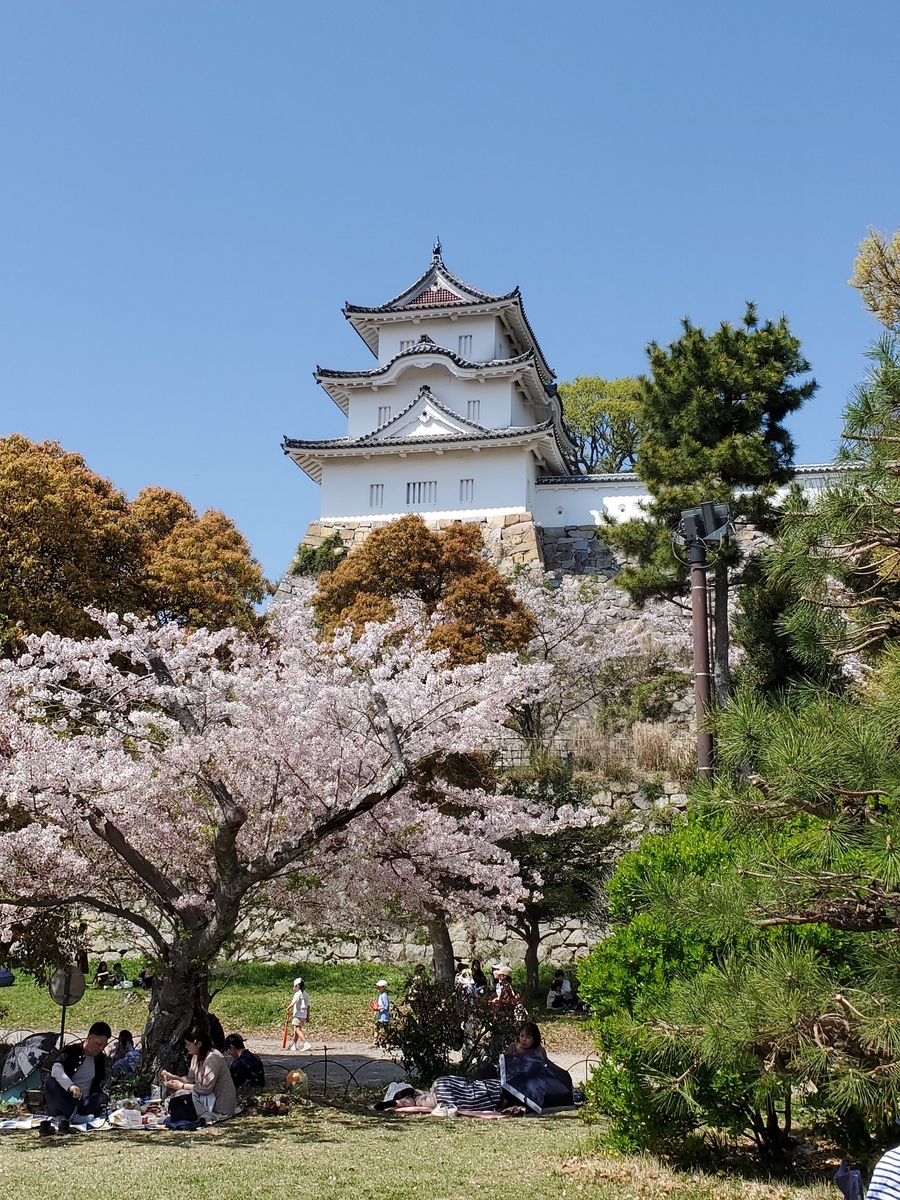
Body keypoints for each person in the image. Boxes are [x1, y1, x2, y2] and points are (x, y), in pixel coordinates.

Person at [41, 1020, 111, 1134]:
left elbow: (98, 1084)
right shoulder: (71, 1052)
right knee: (50, 1083)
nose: (100, 1048)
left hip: (82, 1103)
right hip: (63, 1099)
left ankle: (71, 1116)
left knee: (102, 1098)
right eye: (99, 1044)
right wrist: (70, 1086)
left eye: (104, 1045)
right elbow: (56, 1069)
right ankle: (72, 1116)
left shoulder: (100, 1059)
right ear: (90, 1038)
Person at [160, 1023, 237, 1124]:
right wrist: (173, 1077)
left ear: (199, 1044)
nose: (186, 1047)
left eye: (189, 1045)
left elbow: (205, 1088)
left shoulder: (213, 1058)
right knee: (171, 1100)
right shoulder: (196, 1056)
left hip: (218, 1104)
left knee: (182, 1094)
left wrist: (181, 1086)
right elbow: (191, 1080)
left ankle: (207, 1116)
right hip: (204, 1098)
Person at [287, 977, 311, 1051]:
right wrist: (307, 1016)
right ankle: (294, 1044)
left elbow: (293, 1003)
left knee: (297, 1029)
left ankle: (306, 1043)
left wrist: (288, 1008)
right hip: (304, 1014)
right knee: (296, 1029)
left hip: (298, 1014)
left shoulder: (297, 994)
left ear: (297, 986)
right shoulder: (306, 994)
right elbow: (308, 1006)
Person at [372, 979, 390, 1046]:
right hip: (380, 1016)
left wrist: (378, 1008)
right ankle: (375, 1041)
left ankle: (387, 1043)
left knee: (385, 1030)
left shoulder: (384, 995)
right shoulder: (380, 995)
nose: (378, 988)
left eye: (380, 987)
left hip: (384, 1017)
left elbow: (386, 1006)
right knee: (377, 1028)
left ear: (384, 987)